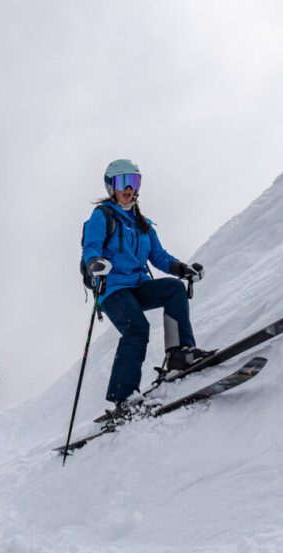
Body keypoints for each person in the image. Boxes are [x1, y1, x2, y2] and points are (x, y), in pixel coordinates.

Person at [81, 159, 213, 418]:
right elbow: (91, 247)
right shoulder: (102, 215)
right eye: (122, 182)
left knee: (174, 289)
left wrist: (180, 268)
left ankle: (179, 355)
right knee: (136, 328)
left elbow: (158, 256)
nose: (129, 188)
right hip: (113, 288)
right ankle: (124, 397)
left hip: (138, 285)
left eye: (135, 181)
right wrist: (95, 263)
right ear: (111, 186)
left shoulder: (142, 223)